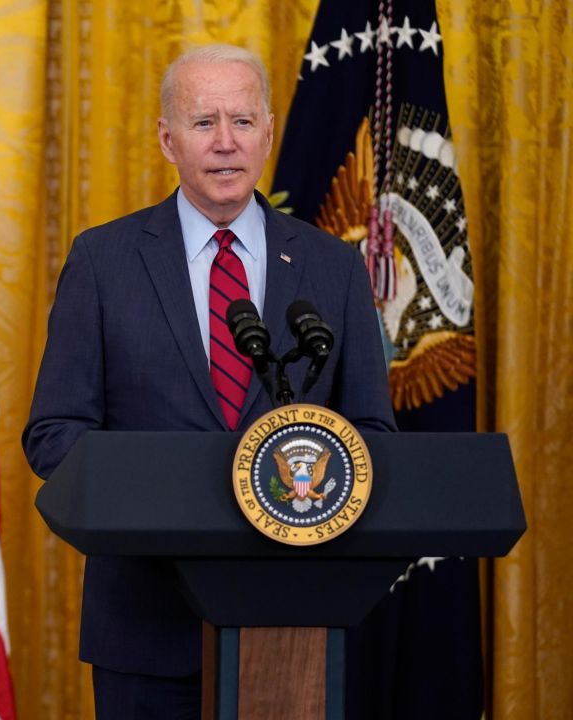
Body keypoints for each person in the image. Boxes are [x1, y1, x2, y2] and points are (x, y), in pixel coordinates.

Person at [22, 44, 396, 719]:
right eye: (203, 124)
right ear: (168, 139)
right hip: (145, 626)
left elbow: (370, 431)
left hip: (293, 623)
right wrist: (163, 492)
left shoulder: (333, 269)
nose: (226, 143)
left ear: (269, 132)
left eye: (243, 122)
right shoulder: (103, 262)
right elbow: (53, 435)